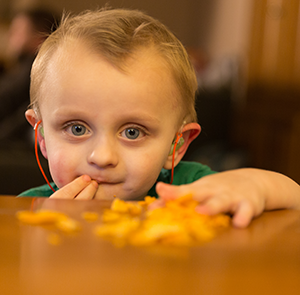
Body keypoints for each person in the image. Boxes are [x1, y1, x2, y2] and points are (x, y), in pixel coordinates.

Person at [18, 8, 300, 228]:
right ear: (41, 136)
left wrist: (255, 187)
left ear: (176, 146)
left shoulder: (189, 191)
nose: (102, 157)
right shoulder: (28, 211)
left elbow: (294, 199)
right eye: (77, 128)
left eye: (132, 132)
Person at [0, 7, 58, 144]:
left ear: (40, 37)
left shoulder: (36, 71)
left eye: (17, 32)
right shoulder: (20, 69)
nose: (10, 36)